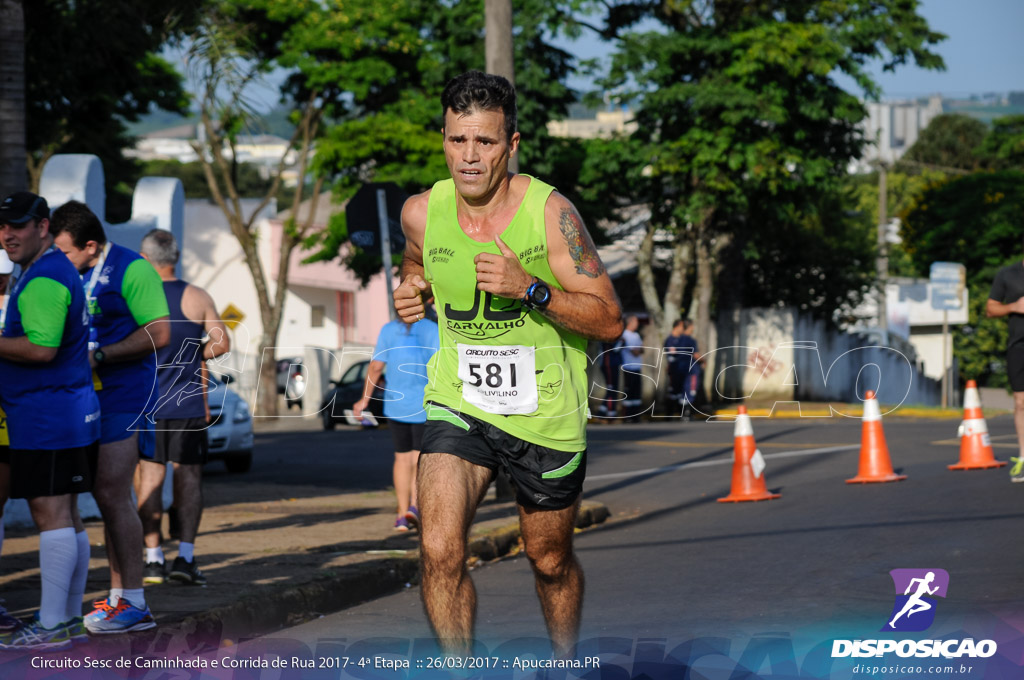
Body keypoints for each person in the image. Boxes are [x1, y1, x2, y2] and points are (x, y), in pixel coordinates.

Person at [393, 70, 623, 655]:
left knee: (548, 561)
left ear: (511, 145)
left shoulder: (551, 214)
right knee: (439, 551)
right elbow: (414, 261)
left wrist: (532, 290)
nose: (469, 157)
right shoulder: (421, 211)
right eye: (457, 140)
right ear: (443, 138)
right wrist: (411, 286)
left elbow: (609, 320)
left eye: (485, 142)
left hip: (544, 415)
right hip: (459, 401)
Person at [51, 201, 170, 634]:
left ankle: (135, 601)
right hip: (81, 397)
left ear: (90, 245)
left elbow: (159, 332)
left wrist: (99, 355)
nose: (58, 259)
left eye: (64, 252)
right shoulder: (67, 271)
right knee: (89, 494)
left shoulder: (132, 268)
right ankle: (118, 599)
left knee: (111, 490)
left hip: (126, 395)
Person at [0, 191, 100, 649]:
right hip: (63, 409)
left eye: (17, 225)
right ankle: (66, 619)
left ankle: (53, 623)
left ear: (43, 226)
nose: (7, 235)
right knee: (67, 515)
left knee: (50, 512)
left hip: (47, 411)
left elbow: (41, 348)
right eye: (2, 227)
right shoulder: (50, 271)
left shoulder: (43, 277)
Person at [135, 229, 230, 585]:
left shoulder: (136, 297)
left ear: (145, 259)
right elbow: (221, 344)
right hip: (187, 404)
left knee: (150, 477)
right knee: (188, 477)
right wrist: (193, 354)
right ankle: (185, 558)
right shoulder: (196, 296)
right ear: (175, 257)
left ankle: (152, 558)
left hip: (146, 404)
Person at [352, 315, 439, 531]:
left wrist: (364, 399)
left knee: (401, 458)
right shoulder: (431, 329)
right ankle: (415, 507)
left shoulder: (388, 330)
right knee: (419, 458)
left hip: (395, 405)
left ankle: (401, 515)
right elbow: (440, 366)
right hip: (424, 404)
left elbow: (375, 367)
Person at [986, 257, 1024, 482]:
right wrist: (1014, 306)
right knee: (1021, 403)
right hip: (1018, 347)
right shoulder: (1007, 274)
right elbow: (991, 308)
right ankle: (1023, 458)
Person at [663, 318, 697, 413]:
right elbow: (671, 354)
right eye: (682, 326)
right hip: (675, 369)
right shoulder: (670, 340)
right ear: (677, 326)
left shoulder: (680, 339)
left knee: (683, 390)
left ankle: (681, 411)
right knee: (674, 391)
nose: (683, 329)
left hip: (681, 369)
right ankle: (670, 413)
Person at [619, 315, 644, 421]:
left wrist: (638, 350)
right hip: (628, 367)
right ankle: (627, 415)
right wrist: (638, 350)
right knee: (628, 392)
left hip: (637, 367)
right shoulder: (625, 335)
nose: (637, 324)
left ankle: (636, 415)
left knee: (636, 392)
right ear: (631, 322)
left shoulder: (636, 335)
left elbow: (642, 350)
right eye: (636, 322)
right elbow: (634, 352)